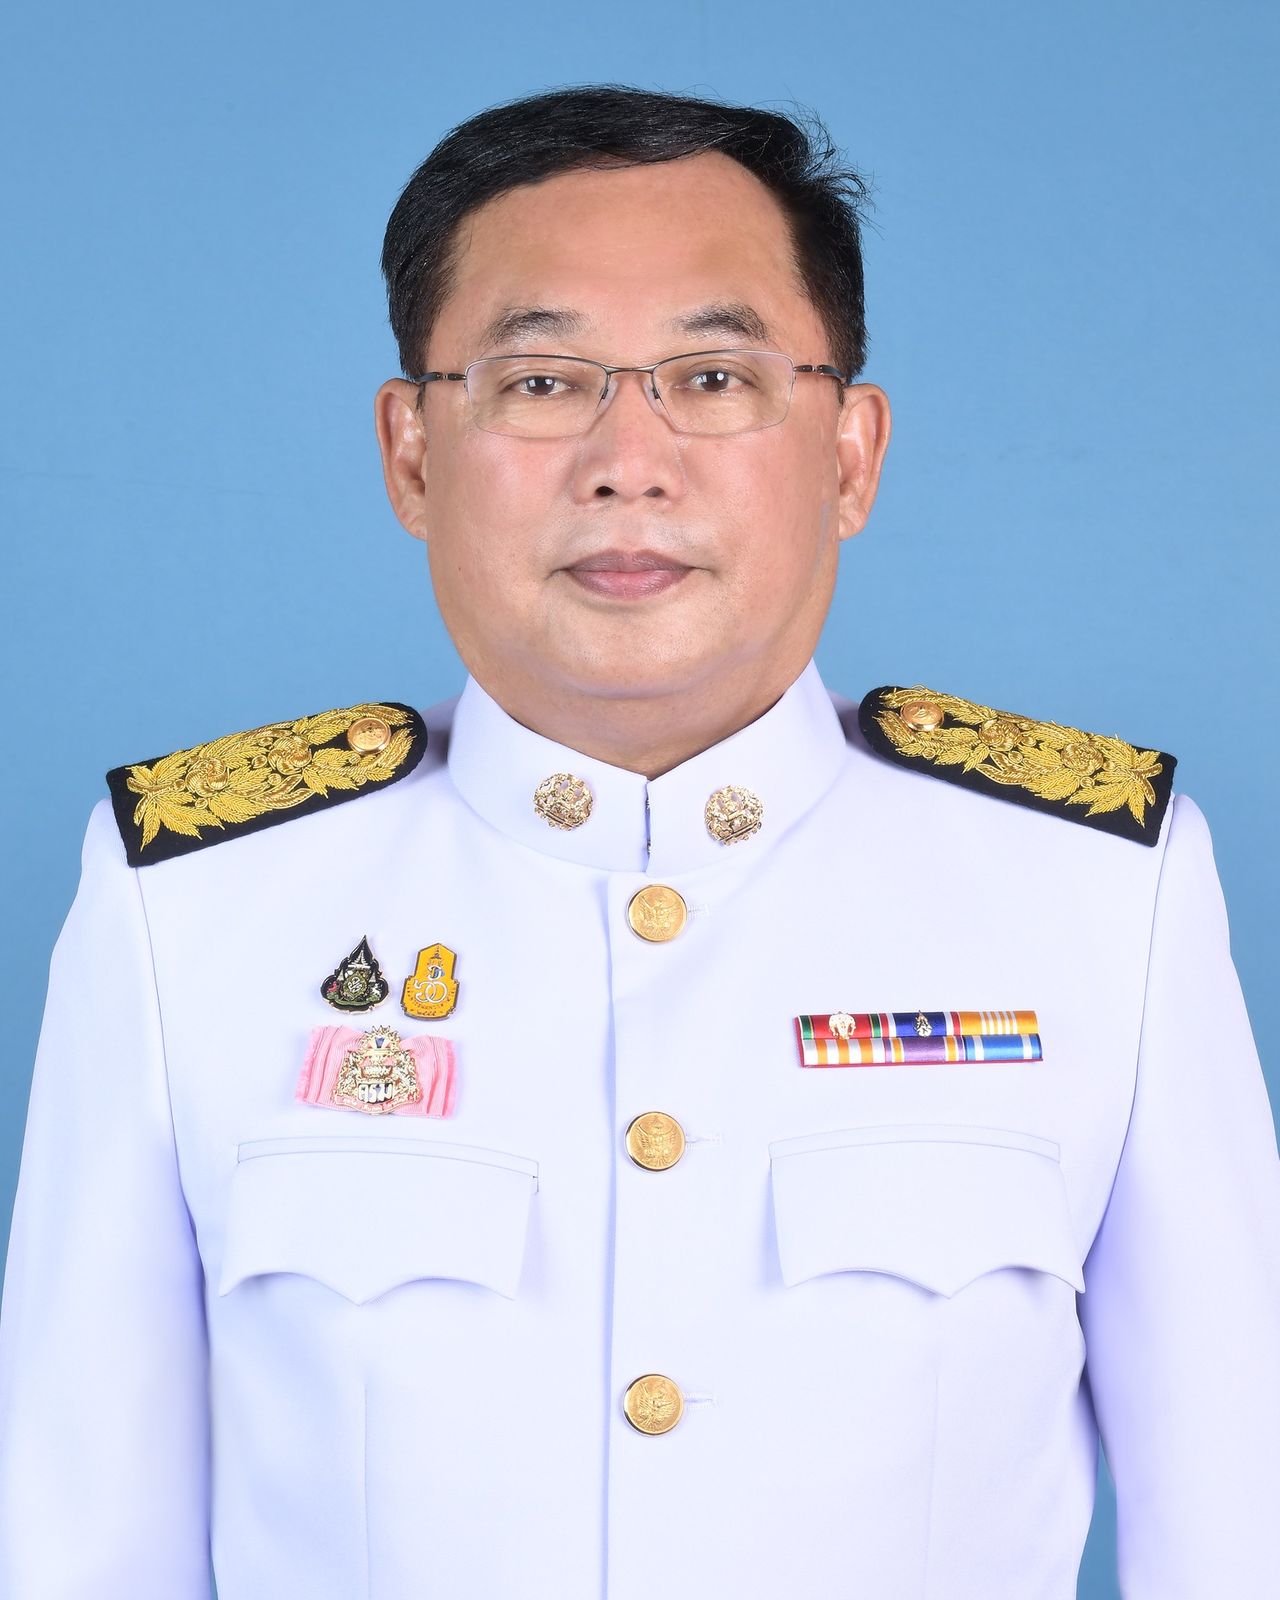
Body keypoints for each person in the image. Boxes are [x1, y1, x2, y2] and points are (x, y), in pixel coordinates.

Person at [1, 84, 1276, 1600]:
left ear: (851, 454)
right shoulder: (196, 906)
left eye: (715, 377)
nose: (629, 461)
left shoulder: (1097, 894)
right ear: (412, 453)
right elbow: (77, 1551)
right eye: (542, 382)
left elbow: (1240, 1533)